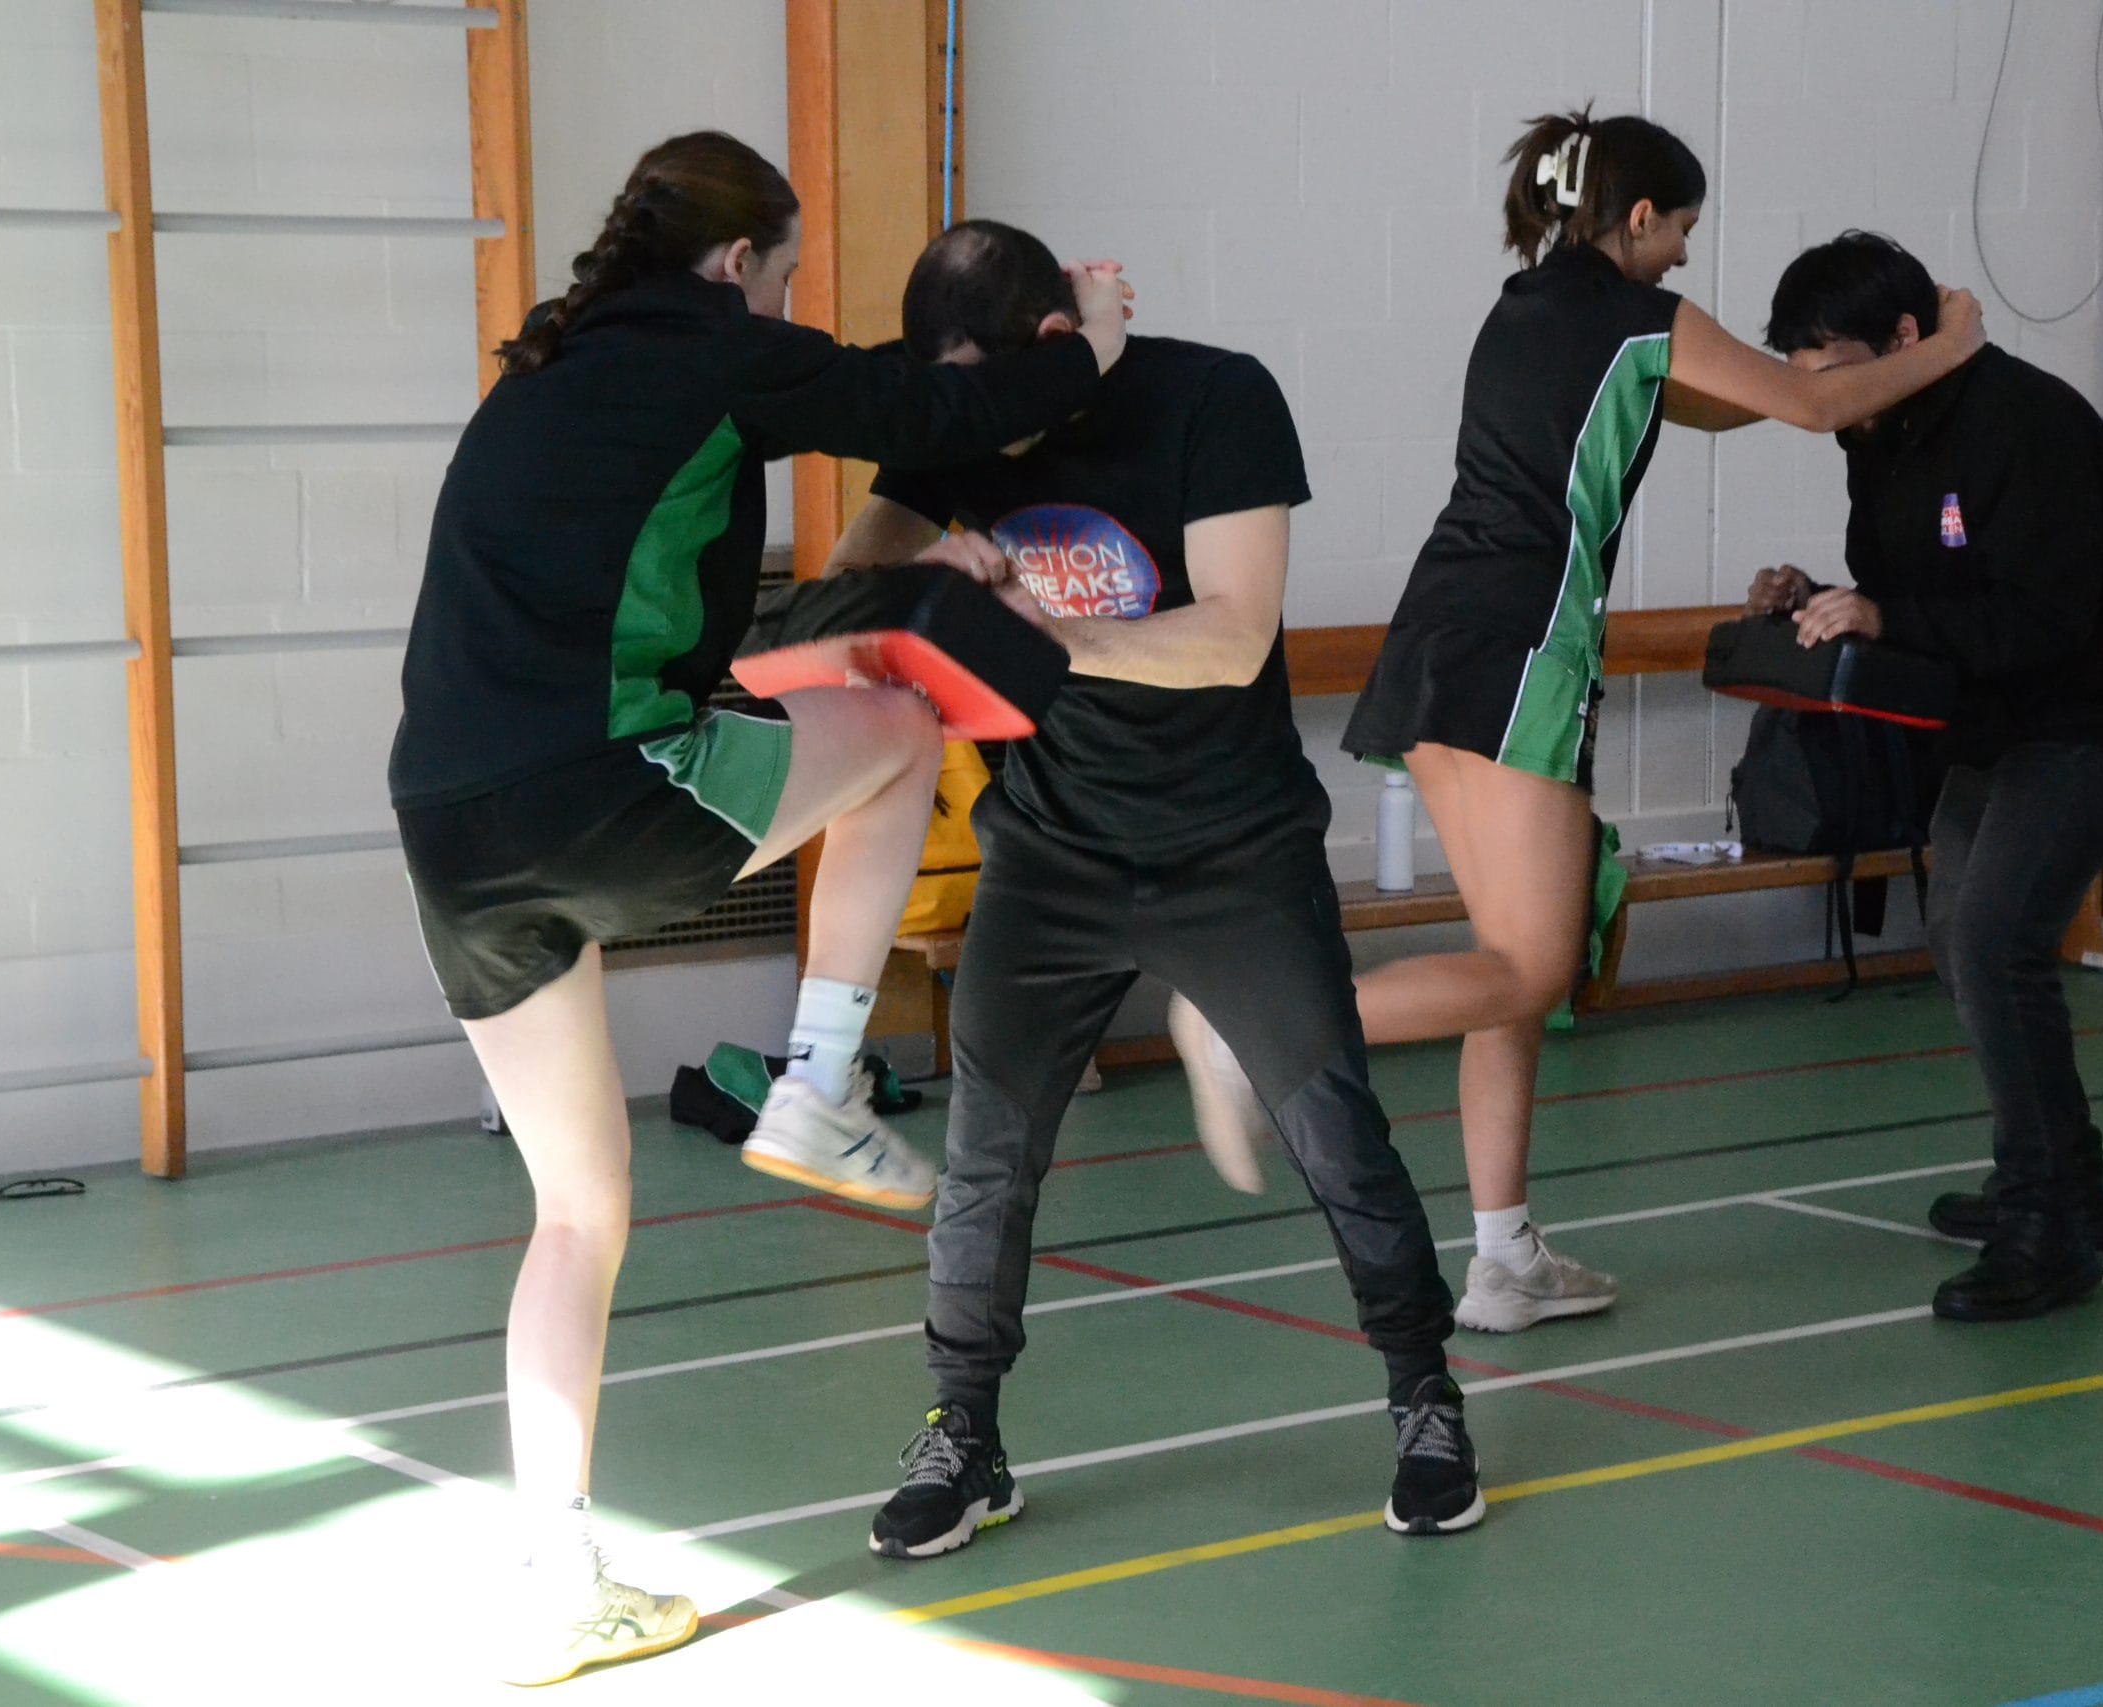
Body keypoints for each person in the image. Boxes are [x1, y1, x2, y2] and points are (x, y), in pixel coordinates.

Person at [387, 134, 1130, 1684]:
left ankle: (560, 1571)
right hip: (596, 777)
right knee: (908, 733)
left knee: (578, 1212)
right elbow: (933, 406)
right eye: (784, 274)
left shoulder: (542, 372)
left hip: (447, 828)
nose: (787, 301)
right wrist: (1085, 347)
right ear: (740, 264)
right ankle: (821, 1073)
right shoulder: (715, 357)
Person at [1177, 107, 1986, 1335]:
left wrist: (1806, 379)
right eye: (1682, 234)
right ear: (1642, 216)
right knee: (1528, 965)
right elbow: (1803, 410)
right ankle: (1249, 1027)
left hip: (1458, 638)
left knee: (1517, 970)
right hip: (1512, 646)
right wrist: (1950, 344)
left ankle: (1502, 1255)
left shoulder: (1534, 311)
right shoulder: (1624, 314)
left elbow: (1735, 402)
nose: (1683, 260)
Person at [824, 219, 1480, 1558]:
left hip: (1232, 850)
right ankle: (966, 1428)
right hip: (1054, 850)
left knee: (1338, 1133)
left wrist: (1044, 628)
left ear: (1058, 350)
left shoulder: (1214, 397)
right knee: (986, 1159)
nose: (988, 436)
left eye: (1005, 403)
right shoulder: (954, 423)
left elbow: (1233, 637)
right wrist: (921, 582)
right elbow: (846, 594)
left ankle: (1424, 1392)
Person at [1751, 229, 2103, 1323]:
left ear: (1906, 340)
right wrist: (1820, 594)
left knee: (1997, 942)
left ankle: (2049, 1230)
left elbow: (2044, 616)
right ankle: (2063, 1181)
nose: (1821, 407)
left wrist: (1891, 613)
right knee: (1958, 937)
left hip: (2092, 721)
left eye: (1833, 374)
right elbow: (1913, 583)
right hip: (1992, 727)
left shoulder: (2027, 423)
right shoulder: (1880, 433)